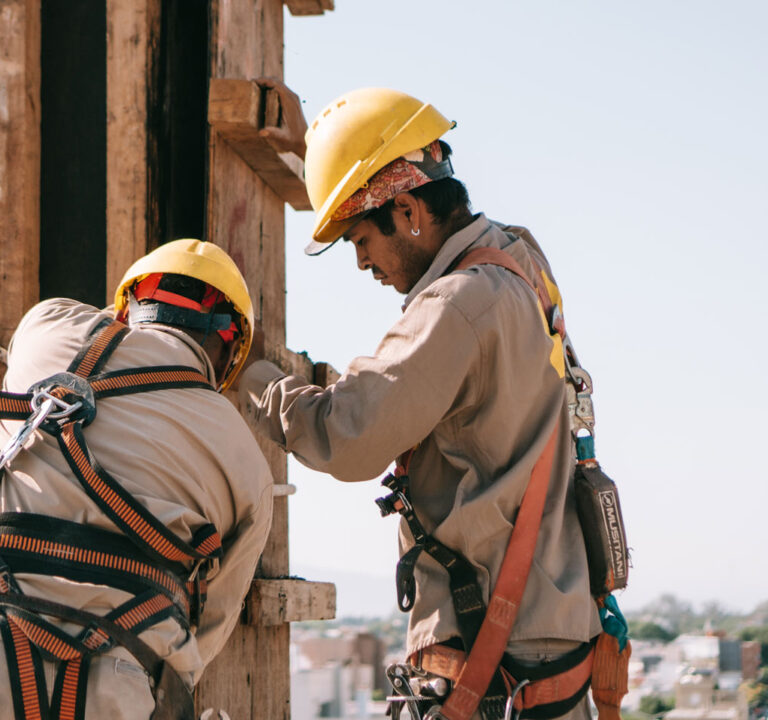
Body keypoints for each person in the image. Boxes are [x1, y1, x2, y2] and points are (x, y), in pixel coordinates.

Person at [240, 86, 607, 720]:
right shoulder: (520, 261)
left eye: (360, 240)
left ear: (407, 210)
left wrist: (250, 375)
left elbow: (348, 437)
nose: (362, 264)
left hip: (494, 652)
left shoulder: (458, 303)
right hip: (549, 644)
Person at [0, 239, 274, 720]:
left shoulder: (47, 325)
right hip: (124, 676)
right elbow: (207, 628)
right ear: (227, 350)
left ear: (127, 306)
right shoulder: (245, 459)